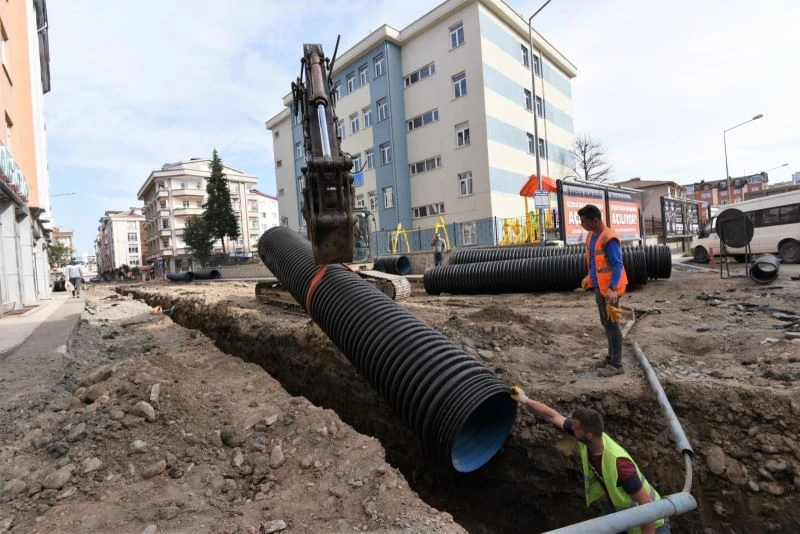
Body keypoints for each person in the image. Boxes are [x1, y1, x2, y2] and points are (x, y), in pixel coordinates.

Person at [511, 386, 669, 534]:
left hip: (650, 524)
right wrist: (524, 399)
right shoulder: (589, 439)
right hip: (619, 508)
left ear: (588, 435)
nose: (571, 429)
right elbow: (553, 416)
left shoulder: (620, 464)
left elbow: (649, 509)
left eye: (576, 428)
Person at [578, 204, 628, 377]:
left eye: (584, 222)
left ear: (595, 220)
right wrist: (589, 277)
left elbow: (617, 264)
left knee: (612, 325)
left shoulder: (609, 237)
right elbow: (595, 262)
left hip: (610, 290)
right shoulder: (592, 236)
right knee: (607, 324)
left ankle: (616, 364)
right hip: (600, 288)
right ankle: (611, 358)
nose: (582, 225)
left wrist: (613, 289)